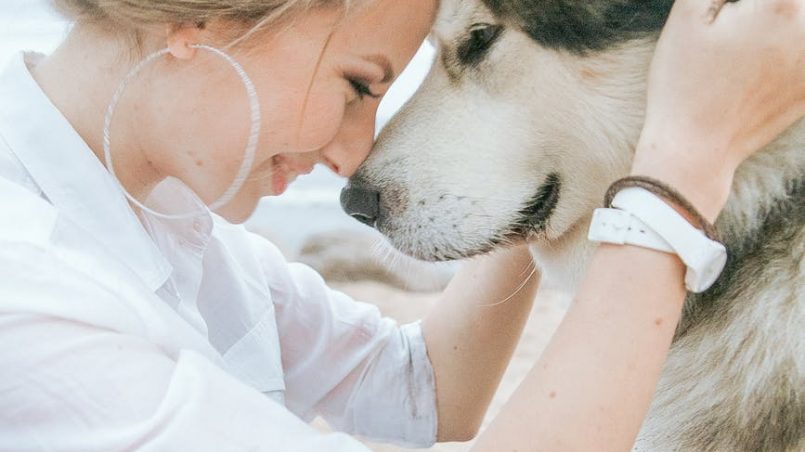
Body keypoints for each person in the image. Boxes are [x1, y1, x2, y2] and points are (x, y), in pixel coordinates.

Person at [0, 0, 802, 450]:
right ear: (204, 23)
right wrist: (679, 164)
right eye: (357, 83)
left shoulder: (166, 223)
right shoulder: (25, 285)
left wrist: (529, 184)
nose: (356, 156)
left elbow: (421, 395)